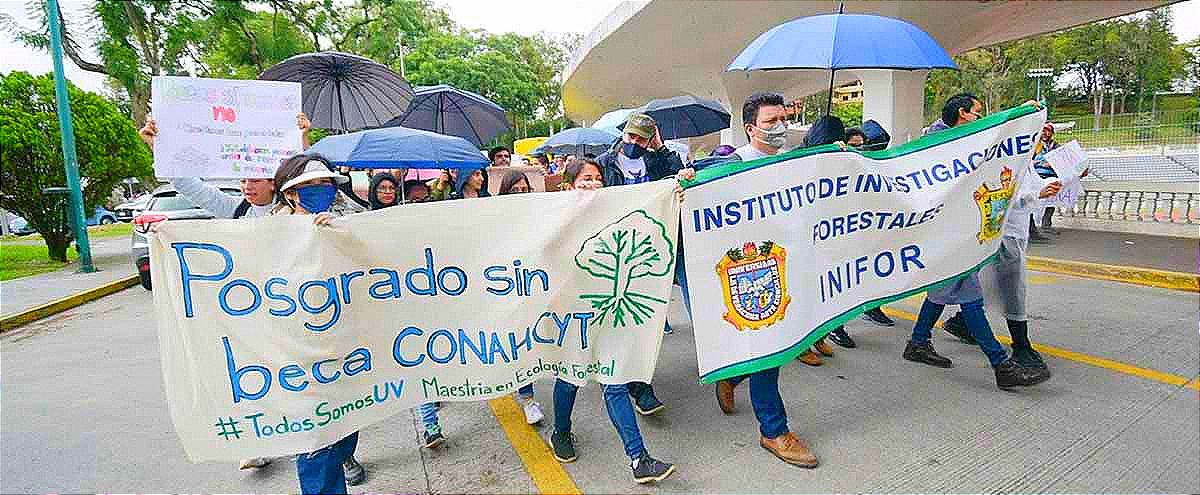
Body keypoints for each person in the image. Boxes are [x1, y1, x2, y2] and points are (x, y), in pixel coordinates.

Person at [139, 116, 282, 472]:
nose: (247, 186)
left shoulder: (294, 209)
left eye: (255, 179)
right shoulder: (236, 211)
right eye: (244, 180)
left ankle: (329, 444)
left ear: (274, 182)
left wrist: (302, 138)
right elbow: (191, 187)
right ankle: (257, 441)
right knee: (253, 375)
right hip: (250, 310)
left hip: (290, 308)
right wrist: (159, 147)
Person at [904, 93, 1049, 390]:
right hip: (949, 235)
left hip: (957, 233)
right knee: (970, 298)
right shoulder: (941, 146)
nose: (980, 118)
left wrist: (1019, 113)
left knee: (941, 291)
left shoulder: (957, 141)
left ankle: (917, 342)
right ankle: (1001, 364)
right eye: (977, 113)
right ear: (963, 113)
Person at [548, 158, 677, 484]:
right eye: (585, 179)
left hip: (609, 314)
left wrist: (674, 192)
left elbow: (650, 213)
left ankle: (639, 458)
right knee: (571, 377)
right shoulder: (555, 218)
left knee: (614, 381)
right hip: (575, 316)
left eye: (597, 178)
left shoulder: (616, 212)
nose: (593, 183)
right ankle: (561, 431)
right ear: (569, 186)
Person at [716, 91, 820, 468]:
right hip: (751, 273)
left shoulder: (792, 162)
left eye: (783, 120)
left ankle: (732, 378)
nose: (780, 127)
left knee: (780, 345)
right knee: (769, 349)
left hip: (787, 267)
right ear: (750, 128)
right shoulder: (733, 165)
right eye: (771, 122)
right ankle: (774, 431)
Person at [271, 154, 367, 492]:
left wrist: (342, 237)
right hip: (300, 354)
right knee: (317, 441)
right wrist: (161, 232)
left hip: (344, 348)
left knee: (345, 424)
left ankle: (344, 457)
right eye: (309, 185)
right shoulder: (268, 234)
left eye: (324, 183)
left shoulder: (340, 224)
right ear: (290, 194)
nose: (319, 189)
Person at [594, 113, 688, 414]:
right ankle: (621, 380)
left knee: (640, 319)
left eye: (641, 139)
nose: (633, 142)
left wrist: (660, 148)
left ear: (650, 140)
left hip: (647, 250)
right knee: (616, 319)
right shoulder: (604, 163)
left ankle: (638, 384)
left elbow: (679, 175)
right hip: (613, 252)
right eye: (630, 136)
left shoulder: (655, 161)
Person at [497, 170, 546, 425]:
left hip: (535, 285)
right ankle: (528, 399)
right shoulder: (495, 219)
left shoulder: (539, 213)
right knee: (520, 343)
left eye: (524, 190)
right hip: (508, 288)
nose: (520, 194)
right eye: (514, 190)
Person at [1031, 123, 1060, 238]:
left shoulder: (1056, 146)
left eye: (1048, 131)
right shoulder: (1035, 145)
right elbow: (1028, 161)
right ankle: (1032, 227)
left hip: (1052, 175)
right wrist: (1041, 163)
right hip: (1037, 176)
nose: (1045, 133)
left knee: (1053, 198)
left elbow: (1062, 161)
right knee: (1033, 199)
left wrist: (1053, 164)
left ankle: (1046, 224)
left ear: (1052, 133)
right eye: (1043, 131)